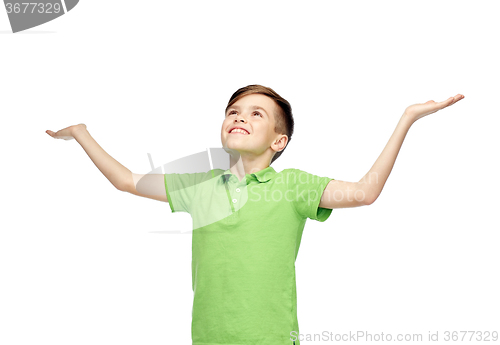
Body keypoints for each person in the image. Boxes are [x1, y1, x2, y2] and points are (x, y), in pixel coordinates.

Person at [46, 85, 464, 345]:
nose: (240, 117)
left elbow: (365, 191)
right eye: (234, 111)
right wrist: (82, 134)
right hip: (207, 340)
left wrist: (407, 118)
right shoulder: (201, 187)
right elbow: (126, 180)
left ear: (279, 141)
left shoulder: (293, 185)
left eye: (255, 114)